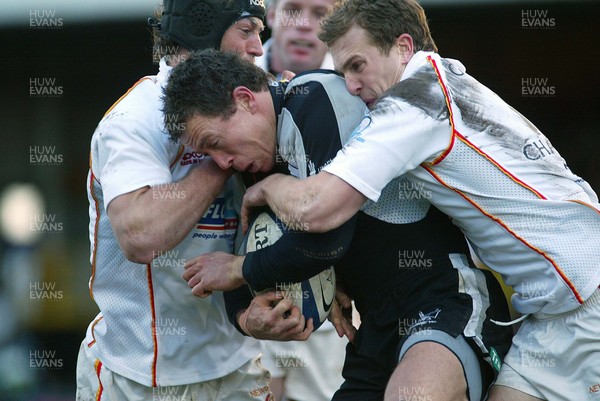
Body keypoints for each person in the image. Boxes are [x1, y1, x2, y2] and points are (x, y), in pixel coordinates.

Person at [235, 0, 600, 400]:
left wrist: (265, 190)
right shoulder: (441, 81)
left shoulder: (412, 105)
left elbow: (317, 207)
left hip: (585, 297)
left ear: (403, 47)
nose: (351, 85)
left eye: (358, 66)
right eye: (341, 72)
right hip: (554, 310)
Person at [162, 49, 513, 401]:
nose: (221, 162)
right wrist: (246, 317)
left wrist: (242, 269)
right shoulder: (253, 161)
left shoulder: (315, 97)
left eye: (215, 143)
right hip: (375, 329)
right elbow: (244, 253)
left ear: (244, 100)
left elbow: (325, 241)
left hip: (444, 298)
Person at [76, 1, 305, 400]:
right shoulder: (135, 120)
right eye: (247, 30)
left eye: (260, 34)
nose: (258, 47)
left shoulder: (258, 102)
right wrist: (226, 152)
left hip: (239, 368)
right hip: (138, 375)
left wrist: (251, 316)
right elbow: (140, 237)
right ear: (205, 32)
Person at [256, 0, 335, 77]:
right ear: (272, 15)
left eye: (320, 14)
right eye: (292, 11)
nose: (304, 24)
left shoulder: (345, 84)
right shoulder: (243, 77)